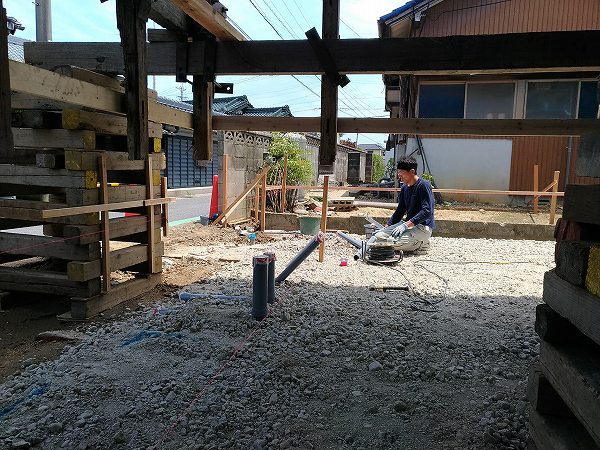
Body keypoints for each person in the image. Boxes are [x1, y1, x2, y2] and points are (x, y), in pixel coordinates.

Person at [374, 156, 435, 253]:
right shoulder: (404, 188)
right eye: (398, 173)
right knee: (379, 237)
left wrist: (406, 225)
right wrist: (388, 225)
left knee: (389, 244)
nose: (399, 176)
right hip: (408, 226)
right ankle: (413, 243)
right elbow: (400, 210)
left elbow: (427, 211)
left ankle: (422, 244)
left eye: (401, 173)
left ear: (412, 171)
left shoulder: (423, 185)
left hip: (422, 228)